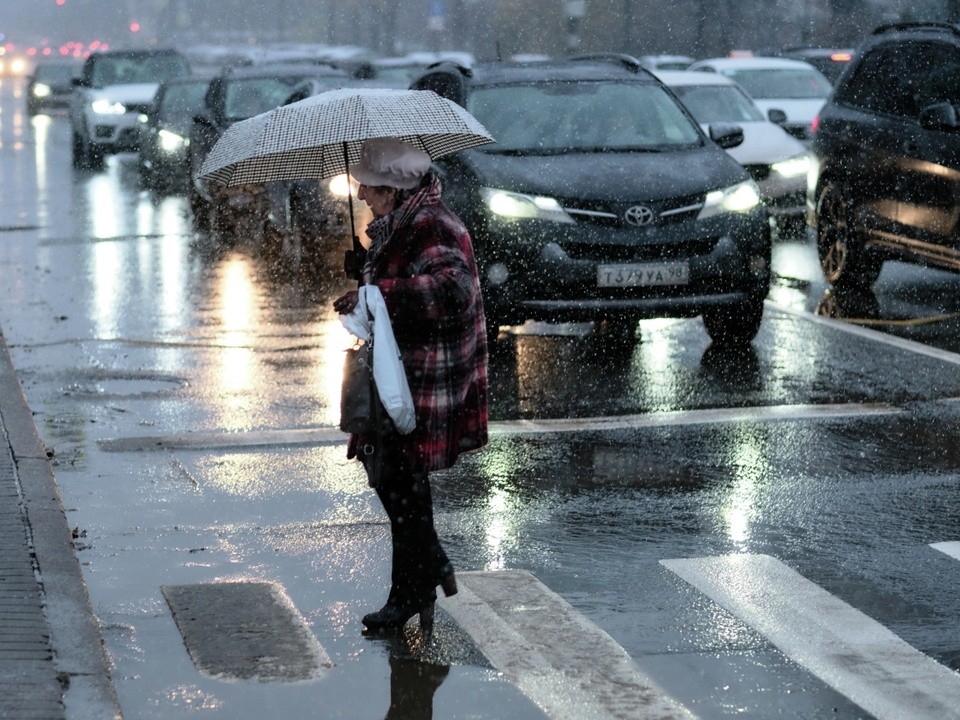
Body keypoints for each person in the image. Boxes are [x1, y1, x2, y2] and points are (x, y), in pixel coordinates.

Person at [333, 137, 489, 637]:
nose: (363, 197)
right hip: (402, 368)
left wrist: (380, 291)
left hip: (423, 373)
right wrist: (366, 272)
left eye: (371, 190)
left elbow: (454, 290)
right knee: (396, 479)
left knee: (399, 480)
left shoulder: (430, 225)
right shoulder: (404, 224)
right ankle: (429, 570)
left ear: (396, 189)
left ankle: (412, 590)